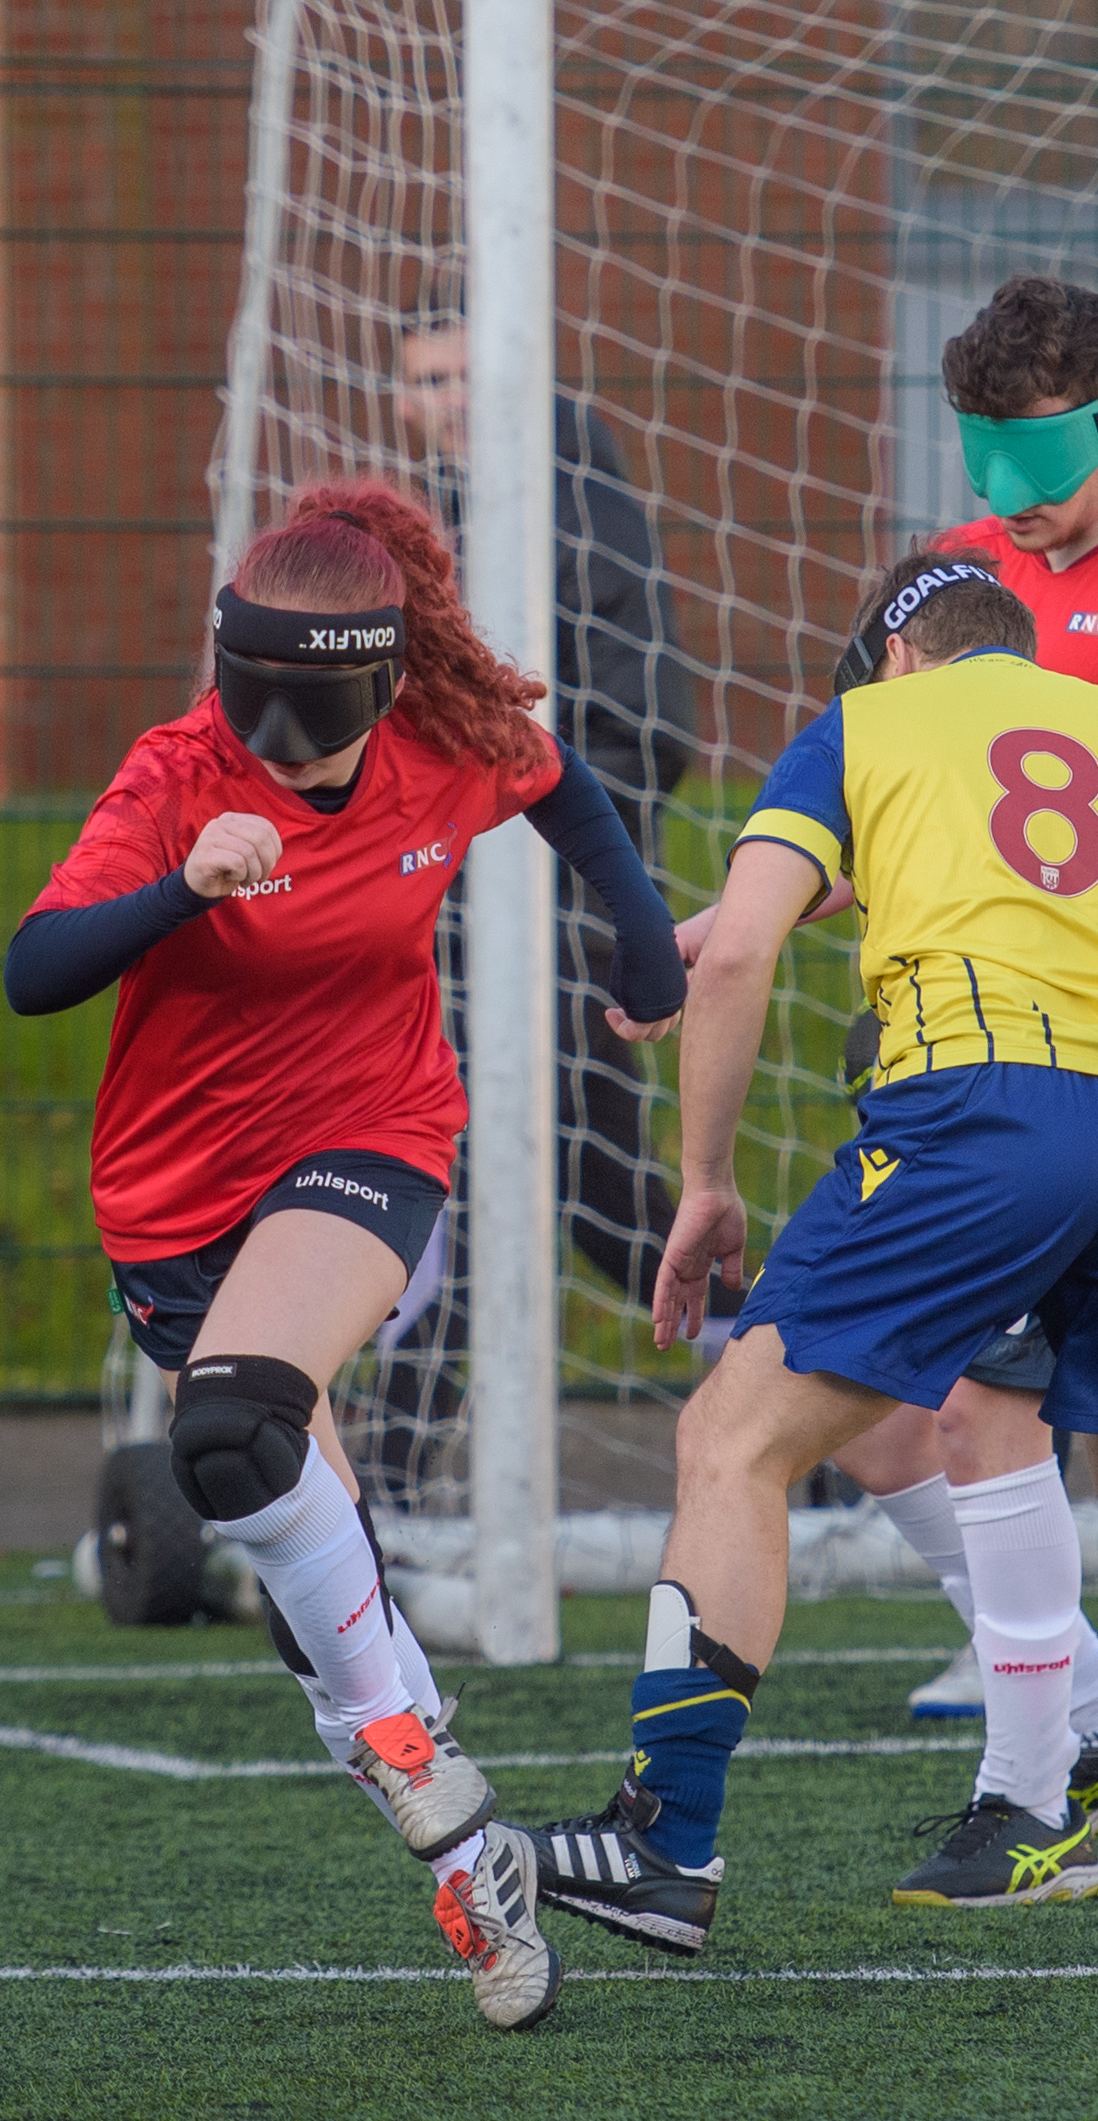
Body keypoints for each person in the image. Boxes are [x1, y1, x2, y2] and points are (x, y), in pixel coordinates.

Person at [509, 552, 1098, 1961]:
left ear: (896, 660)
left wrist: (707, 1183)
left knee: (732, 1439)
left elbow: (731, 964)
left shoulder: (861, 728)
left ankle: (659, 1843)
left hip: (972, 1112)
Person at [4, 480, 687, 2028]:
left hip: (368, 1138)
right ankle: (466, 1848)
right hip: (175, 1203)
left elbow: (565, 793)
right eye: (250, 697)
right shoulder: (178, 777)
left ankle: (416, 1773)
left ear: (383, 685)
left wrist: (641, 941)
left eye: (308, 712)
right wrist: (179, 887)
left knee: (230, 1428)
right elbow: (31, 971)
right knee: (302, 1562)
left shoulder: (449, 740)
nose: (272, 737)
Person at [757, 274, 1098, 1907]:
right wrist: (731, 921)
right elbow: (875, 806)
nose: (999, 501)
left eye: (1028, 464)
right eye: (976, 460)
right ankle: (1075, 1732)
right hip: (959, 1061)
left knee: (1078, 1446)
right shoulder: (959, 577)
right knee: (884, 1427)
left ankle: (1043, 1793)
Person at [377, 282, 724, 1491]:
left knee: (508, 1175)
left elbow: (644, 707)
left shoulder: (573, 477)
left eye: (466, 373)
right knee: (596, 1199)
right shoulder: (439, 520)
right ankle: (805, 1396)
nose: (450, 400)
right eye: (426, 381)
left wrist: (576, 862)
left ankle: (385, 1471)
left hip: (557, 901)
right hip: (459, 913)